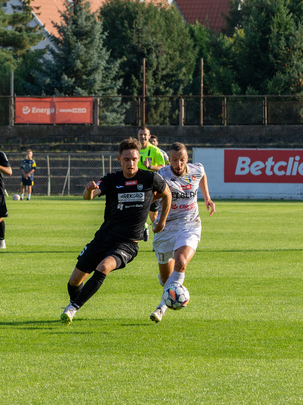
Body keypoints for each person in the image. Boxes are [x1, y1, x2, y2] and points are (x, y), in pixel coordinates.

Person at [61, 138, 172, 324]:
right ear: (119, 159)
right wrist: (89, 190)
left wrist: (161, 221)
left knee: (104, 267)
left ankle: (72, 309)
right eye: (127, 159)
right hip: (103, 237)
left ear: (139, 158)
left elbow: (167, 193)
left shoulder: (149, 178)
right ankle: (75, 302)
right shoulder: (112, 179)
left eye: (134, 159)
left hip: (128, 243)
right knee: (74, 281)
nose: (131, 163)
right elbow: (89, 196)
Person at [149, 142, 215, 323]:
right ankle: (170, 283)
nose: (178, 164)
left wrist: (207, 198)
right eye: (174, 160)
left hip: (189, 225)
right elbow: (151, 197)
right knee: (165, 278)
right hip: (165, 228)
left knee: (181, 262)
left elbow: (202, 176)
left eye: (182, 160)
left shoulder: (197, 169)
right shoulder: (162, 175)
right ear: (169, 159)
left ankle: (161, 308)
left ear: (188, 159)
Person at [137, 127, 169, 241]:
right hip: (137, 185)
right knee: (135, 210)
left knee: (154, 216)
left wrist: (150, 167)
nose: (143, 137)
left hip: (151, 187)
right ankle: (144, 226)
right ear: (138, 136)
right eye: (141, 134)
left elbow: (163, 167)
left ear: (149, 136)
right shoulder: (135, 150)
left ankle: (157, 238)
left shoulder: (155, 151)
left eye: (145, 134)